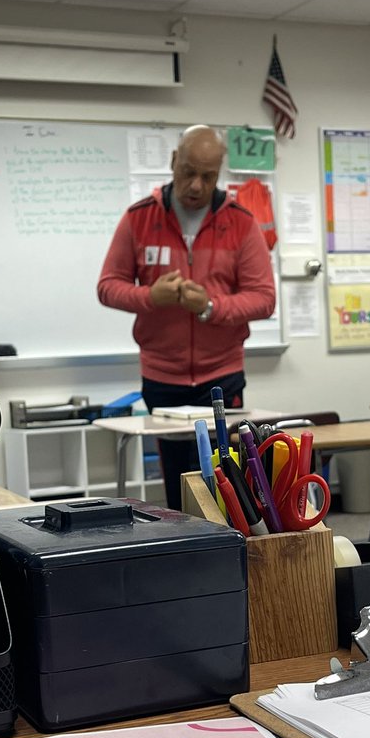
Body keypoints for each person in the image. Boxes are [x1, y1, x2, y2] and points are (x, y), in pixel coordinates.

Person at [97, 124, 276, 508]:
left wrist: (211, 307)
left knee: (228, 485)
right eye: (188, 172)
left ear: (219, 173)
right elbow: (108, 287)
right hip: (162, 377)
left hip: (222, 376)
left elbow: (264, 299)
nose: (196, 185)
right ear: (173, 161)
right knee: (178, 488)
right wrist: (151, 297)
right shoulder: (139, 218)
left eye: (208, 177)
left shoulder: (241, 221)